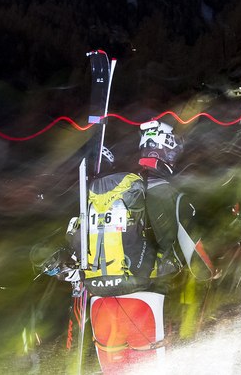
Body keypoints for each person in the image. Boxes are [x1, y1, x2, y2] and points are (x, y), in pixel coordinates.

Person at [55, 120, 216, 374]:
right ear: (169, 152)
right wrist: (211, 272)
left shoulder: (111, 191)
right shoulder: (170, 193)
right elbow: (197, 258)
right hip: (145, 302)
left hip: (99, 301)